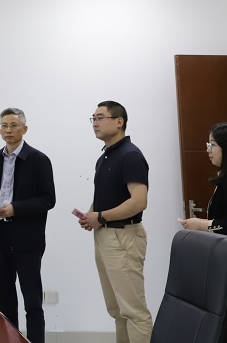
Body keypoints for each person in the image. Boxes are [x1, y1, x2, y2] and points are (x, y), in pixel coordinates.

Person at [78, 100, 152, 343]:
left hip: (123, 236)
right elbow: (105, 195)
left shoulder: (130, 155)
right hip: (105, 236)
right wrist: (91, 214)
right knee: (117, 310)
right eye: (93, 118)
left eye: (100, 118)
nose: (95, 123)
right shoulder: (105, 157)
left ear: (119, 122)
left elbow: (139, 201)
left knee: (134, 312)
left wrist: (100, 217)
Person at [0, 107, 56, 343]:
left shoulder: (39, 160)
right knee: (4, 300)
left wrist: (16, 208)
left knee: (32, 301)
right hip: (0, 236)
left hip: (27, 238)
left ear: (24, 129)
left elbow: (48, 199)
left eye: (14, 125)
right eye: (4, 126)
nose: (8, 130)